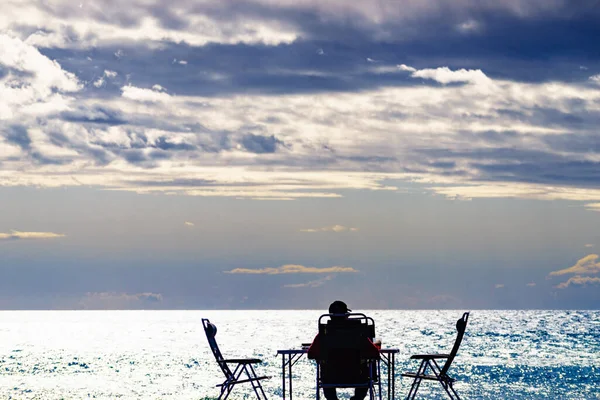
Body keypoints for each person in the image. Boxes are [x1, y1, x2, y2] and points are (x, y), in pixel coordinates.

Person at [308, 300, 380, 400]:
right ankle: (357, 398)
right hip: (357, 376)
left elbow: (311, 354)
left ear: (330, 315)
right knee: (366, 372)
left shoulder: (324, 334)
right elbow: (374, 353)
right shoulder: (358, 333)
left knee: (325, 373)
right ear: (346, 315)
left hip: (330, 377)